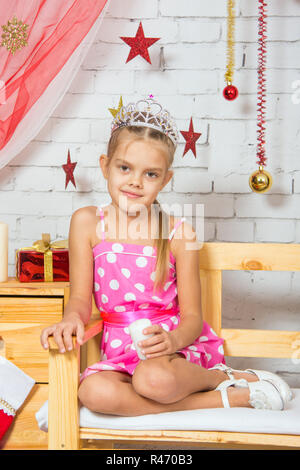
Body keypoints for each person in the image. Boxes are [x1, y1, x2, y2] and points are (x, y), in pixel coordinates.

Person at [40, 96, 293, 416]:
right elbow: (79, 298)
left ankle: (217, 377)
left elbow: (191, 319)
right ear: (105, 166)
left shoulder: (179, 233)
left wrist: (171, 342)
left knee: (152, 380)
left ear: (165, 179)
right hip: (118, 352)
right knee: (93, 391)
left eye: (150, 174)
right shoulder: (87, 222)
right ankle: (229, 397)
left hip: (172, 352)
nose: (134, 181)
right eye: (124, 168)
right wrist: (70, 320)